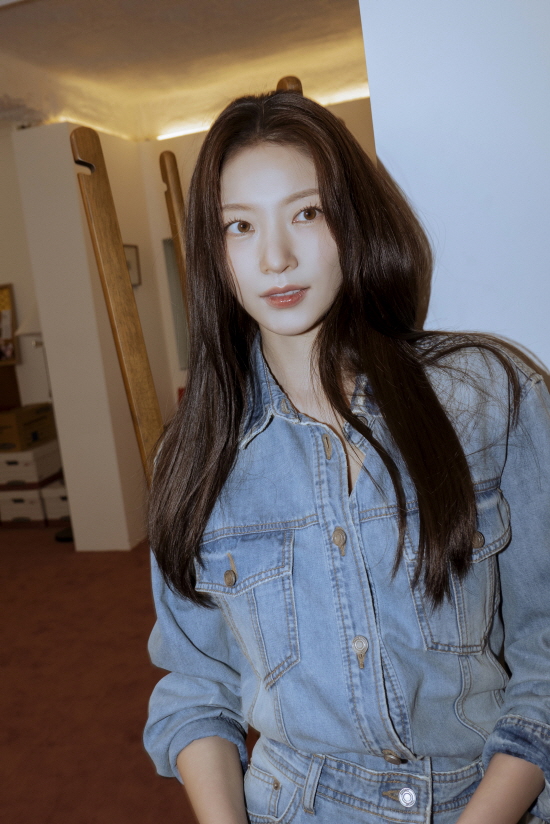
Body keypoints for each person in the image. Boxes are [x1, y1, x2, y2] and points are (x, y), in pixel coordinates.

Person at [144, 90, 550, 824]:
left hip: (486, 796)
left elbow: (545, 644)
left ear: (353, 221)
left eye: (307, 213)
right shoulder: (198, 455)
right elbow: (195, 686)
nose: (276, 258)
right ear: (216, 254)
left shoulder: (489, 397)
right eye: (241, 226)